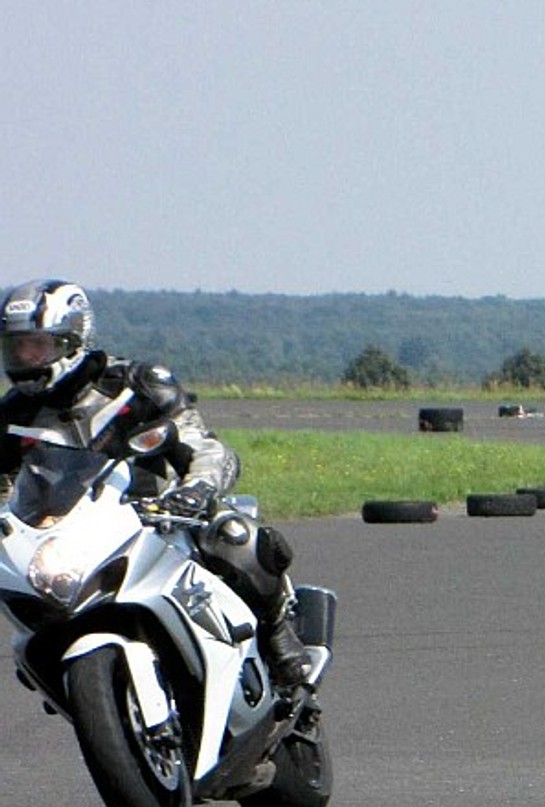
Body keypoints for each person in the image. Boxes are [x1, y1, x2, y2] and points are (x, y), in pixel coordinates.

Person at [0, 280, 314, 689]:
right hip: (71, 537)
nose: (25, 358)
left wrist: (196, 489)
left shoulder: (138, 383)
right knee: (24, 614)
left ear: (72, 339)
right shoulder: (12, 417)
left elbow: (202, 445)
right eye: (16, 347)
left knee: (234, 535)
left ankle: (277, 635)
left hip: (156, 518)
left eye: (37, 345)